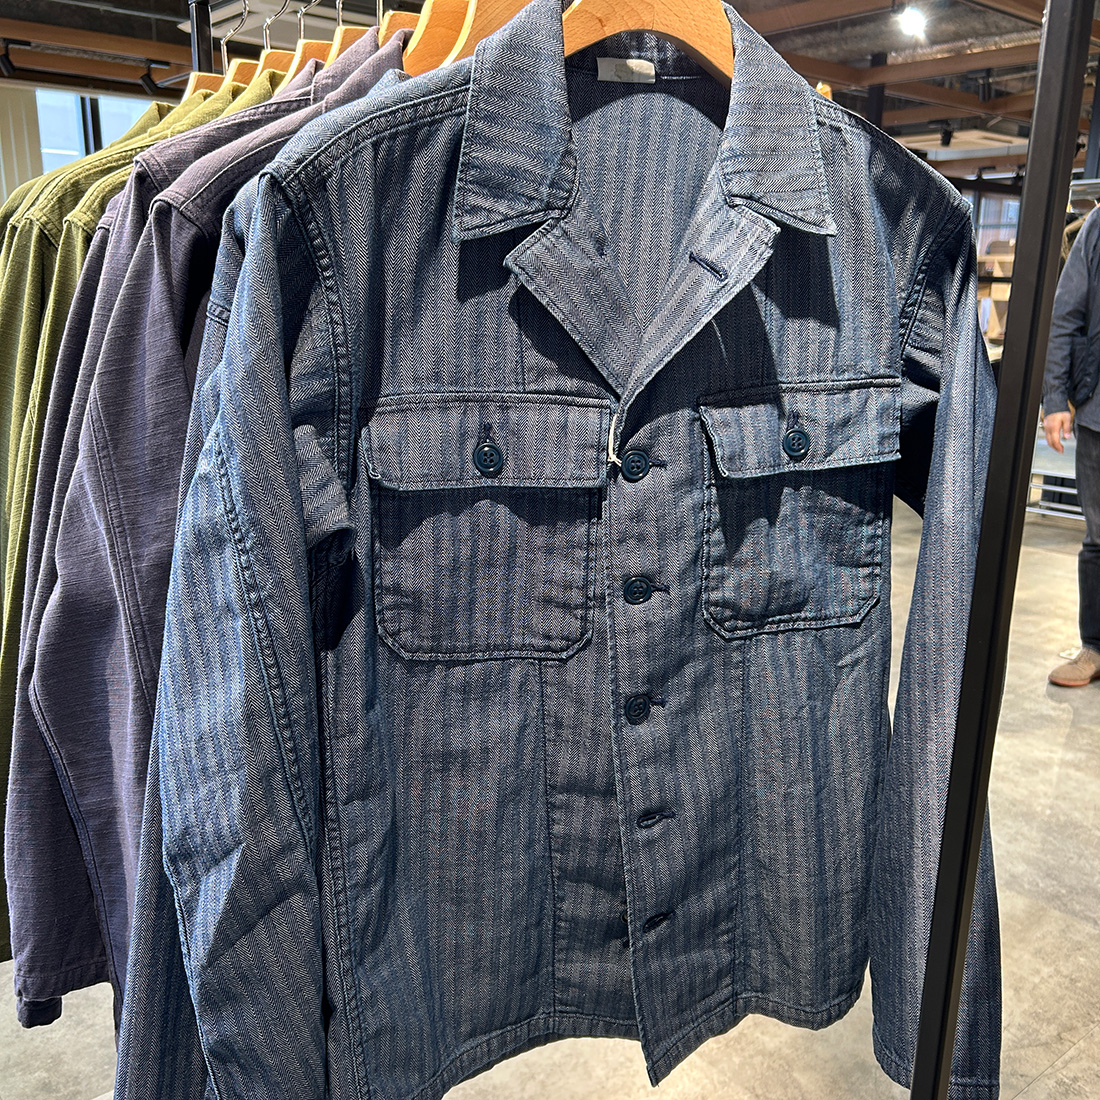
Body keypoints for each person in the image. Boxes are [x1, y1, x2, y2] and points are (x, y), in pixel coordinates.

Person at [1042, 201, 1100, 687]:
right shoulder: (1097, 227)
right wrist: (1055, 398)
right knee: (1099, 537)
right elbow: (1065, 315)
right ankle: (1095, 648)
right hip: (1099, 415)